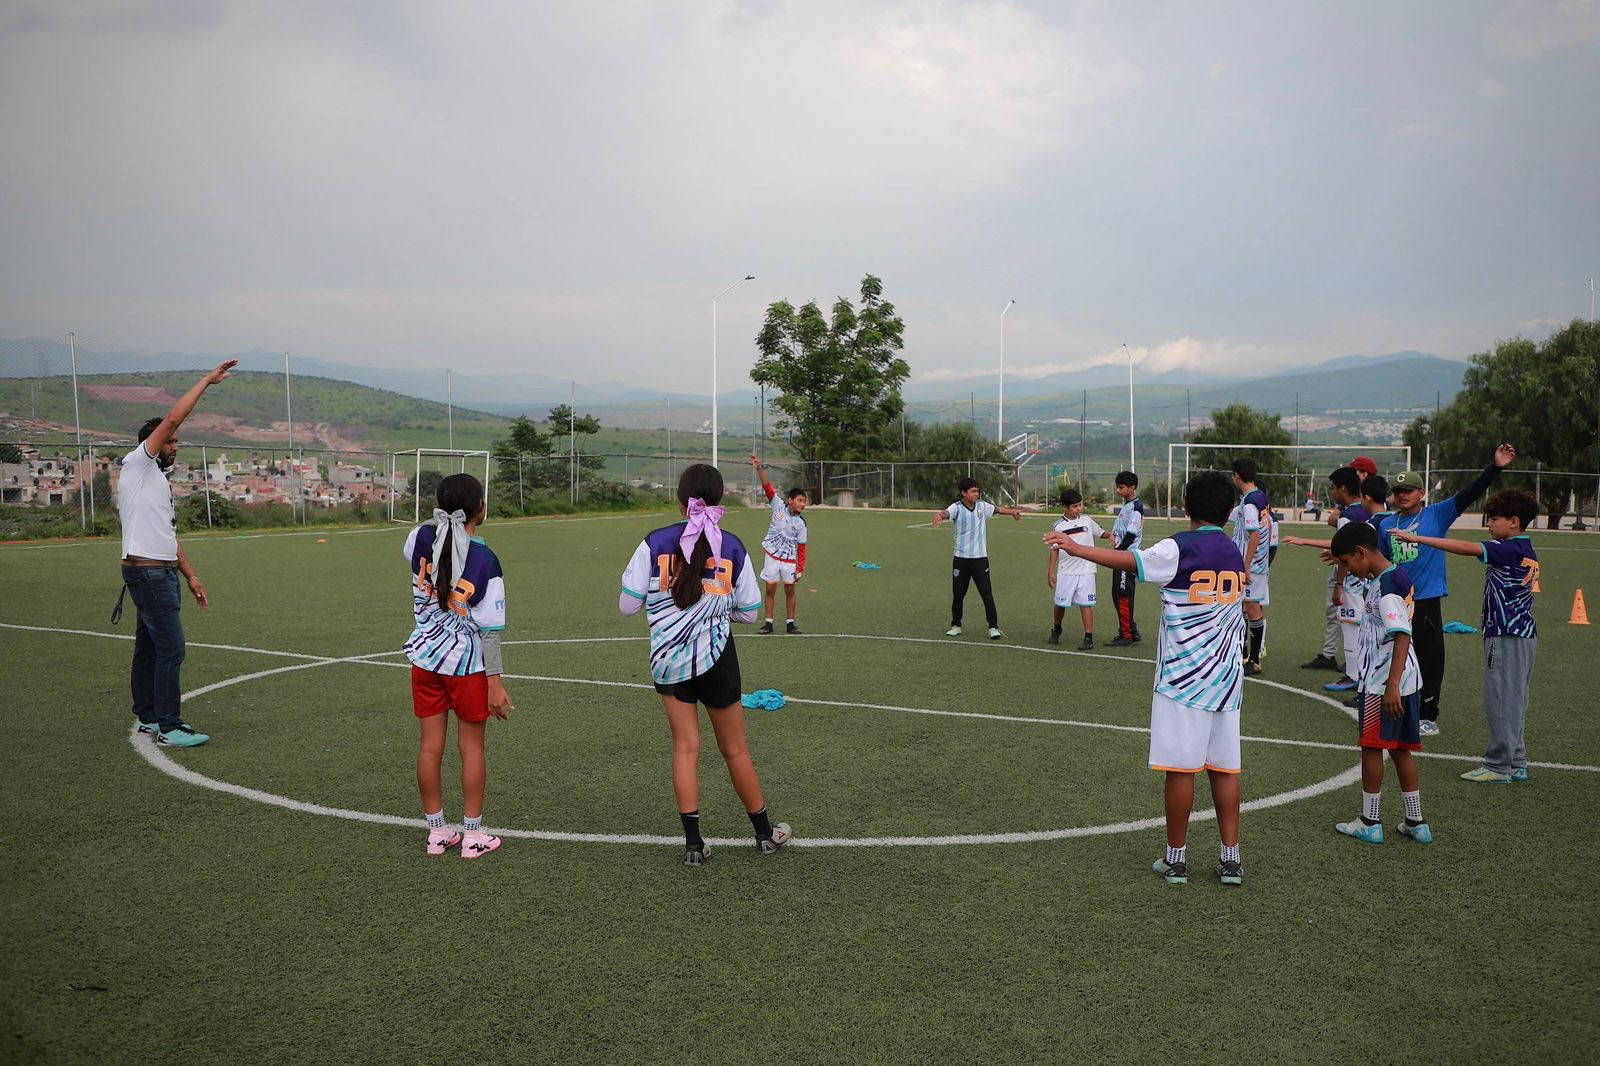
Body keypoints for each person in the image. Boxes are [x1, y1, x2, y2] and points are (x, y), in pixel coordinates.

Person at [1045, 471, 1247, 887]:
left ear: (1186, 507)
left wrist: (1075, 546)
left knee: (1181, 769)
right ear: (1229, 512)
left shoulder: (1180, 546)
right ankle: (1231, 859)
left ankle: (1176, 860)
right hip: (1227, 677)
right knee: (1224, 770)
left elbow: (1131, 561)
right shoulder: (1233, 550)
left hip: (1184, 679)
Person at [620, 464, 791, 866]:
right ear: (719, 501)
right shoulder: (731, 546)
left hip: (667, 660)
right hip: (717, 658)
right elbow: (750, 612)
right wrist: (714, 610)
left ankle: (694, 845)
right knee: (735, 750)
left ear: (681, 502)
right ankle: (765, 834)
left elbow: (628, 605)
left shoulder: (653, 542)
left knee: (685, 748)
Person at [118, 360, 237, 748]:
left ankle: (148, 717)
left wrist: (191, 575)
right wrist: (205, 381)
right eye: (170, 442)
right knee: (172, 649)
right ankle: (169, 725)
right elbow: (171, 419)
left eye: (175, 442)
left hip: (160, 572)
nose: (175, 446)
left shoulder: (157, 482)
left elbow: (170, 536)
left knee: (149, 648)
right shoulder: (138, 464)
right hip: (149, 575)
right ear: (151, 444)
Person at [1391, 489, 1539, 783]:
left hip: (1505, 633)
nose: (1489, 525)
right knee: (1515, 697)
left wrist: (1418, 539)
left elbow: (1464, 546)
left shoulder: (1508, 549)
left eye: (1494, 519)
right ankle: (1517, 759)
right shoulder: (1525, 549)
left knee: (1499, 698)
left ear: (1514, 521)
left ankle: (1498, 765)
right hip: (1523, 634)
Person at [404, 473, 512, 859]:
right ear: (480, 509)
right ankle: (473, 835)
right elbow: (489, 631)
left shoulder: (419, 537)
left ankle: (437, 832)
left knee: (429, 748)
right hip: (466, 668)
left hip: (425, 661)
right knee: (472, 749)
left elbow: (420, 551)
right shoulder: (486, 560)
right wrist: (495, 683)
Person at [1377, 444, 1516, 735]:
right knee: (1395, 654)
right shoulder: (1386, 523)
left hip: (1425, 599)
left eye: (1410, 490)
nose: (1403, 495)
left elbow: (1470, 493)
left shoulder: (1437, 514)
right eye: (1399, 491)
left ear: (1422, 494)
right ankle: (1396, 704)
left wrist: (1496, 467)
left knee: (1429, 657)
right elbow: (1380, 561)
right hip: (1395, 601)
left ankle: (1428, 715)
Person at [1328, 521, 1433, 846]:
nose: (1347, 569)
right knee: (1401, 749)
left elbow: (1401, 634)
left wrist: (1390, 686)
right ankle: (1416, 821)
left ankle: (1370, 821)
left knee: (1372, 748)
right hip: (1408, 678)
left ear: (1361, 553)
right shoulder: (1393, 575)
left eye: (1346, 562)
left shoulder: (1386, 587)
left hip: (1383, 681)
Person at [932, 477, 1024, 640]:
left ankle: (993, 627)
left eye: (977, 491)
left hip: (980, 559)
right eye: (973, 491)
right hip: (961, 559)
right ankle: (956, 625)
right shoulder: (957, 508)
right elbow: (946, 513)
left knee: (987, 594)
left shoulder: (982, 506)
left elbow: (997, 509)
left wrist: (1013, 512)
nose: (976, 494)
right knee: (958, 594)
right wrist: (939, 514)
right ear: (963, 493)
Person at [747, 454, 808, 634]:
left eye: (804, 501)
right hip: (772, 555)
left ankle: (790, 623)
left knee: (790, 590)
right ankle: (768, 623)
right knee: (770, 589)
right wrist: (759, 468)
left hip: (789, 559)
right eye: (800, 500)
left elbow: (802, 548)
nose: (803, 504)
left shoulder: (802, 523)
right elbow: (767, 486)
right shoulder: (778, 505)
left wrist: (800, 568)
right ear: (790, 500)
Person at [1046, 489, 1105, 649]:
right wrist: (1051, 572)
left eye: (1079, 505)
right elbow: (1054, 549)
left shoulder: (1087, 520)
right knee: (1060, 604)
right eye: (1074, 506)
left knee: (1086, 604)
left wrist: (1112, 535)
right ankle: (1057, 628)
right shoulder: (1058, 526)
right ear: (1065, 507)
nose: (1078, 509)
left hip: (1087, 570)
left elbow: (1102, 533)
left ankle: (1088, 637)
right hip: (1066, 571)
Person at [1229, 458, 1271, 676]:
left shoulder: (1252, 502)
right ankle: (1245, 654)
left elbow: (1254, 534)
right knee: (1246, 607)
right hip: (1256, 562)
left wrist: (1246, 566)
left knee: (1252, 608)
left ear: (1236, 475)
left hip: (1251, 565)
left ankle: (1254, 660)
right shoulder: (1257, 496)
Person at [1106, 471, 1145, 646]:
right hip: (1121, 555)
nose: (1118, 490)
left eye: (1121, 487)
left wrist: (1119, 552)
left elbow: (1131, 534)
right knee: (1117, 594)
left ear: (1132, 488)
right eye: (1117, 487)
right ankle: (1132, 630)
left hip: (1126, 558)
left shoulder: (1136, 507)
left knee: (1123, 595)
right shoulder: (1128, 505)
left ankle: (1126, 635)